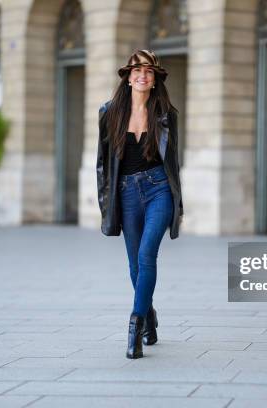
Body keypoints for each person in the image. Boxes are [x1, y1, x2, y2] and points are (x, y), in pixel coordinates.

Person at [96, 49, 184, 359]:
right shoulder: (109, 112)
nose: (142, 75)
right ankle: (149, 314)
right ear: (128, 76)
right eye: (137, 70)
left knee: (147, 255)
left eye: (148, 70)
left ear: (155, 77)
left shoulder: (166, 114)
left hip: (158, 188)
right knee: (134, 265)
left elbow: (173, 162)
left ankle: (134, 324)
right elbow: (103, 164)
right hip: (126, 194)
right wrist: (106, 204)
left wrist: (177, 200)